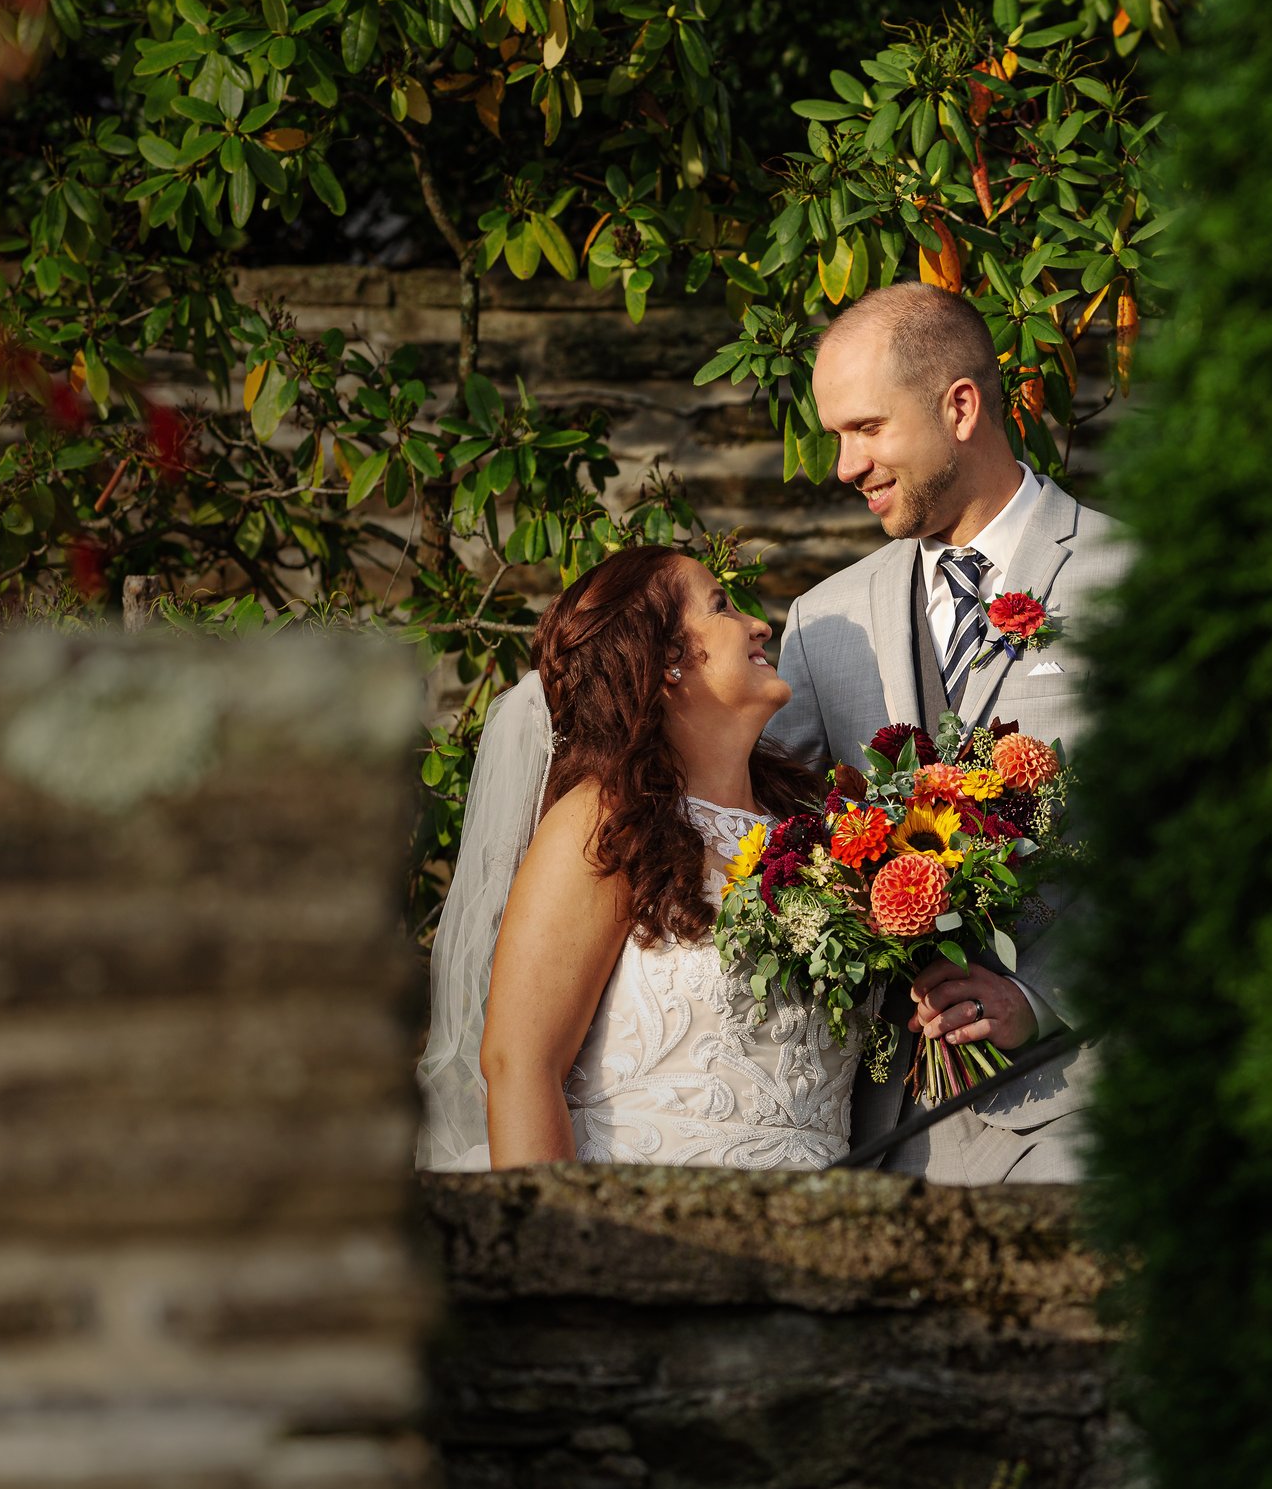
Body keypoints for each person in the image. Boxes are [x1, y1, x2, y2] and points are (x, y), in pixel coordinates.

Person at [766, 281, 1131, 1185]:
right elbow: (775, 836)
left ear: (959, 406)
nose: (844, 466)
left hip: (1079, 1114)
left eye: (865, 429)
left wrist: (1042, 1001)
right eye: (835, 436)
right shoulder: (823, 621)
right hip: (873, 1141)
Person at [413, 544, 857, 1170]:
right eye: (721, 607)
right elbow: (519, 1063)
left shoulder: (813, 830)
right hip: (646, 1223)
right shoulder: (606, 822)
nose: (759, 624)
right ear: (663, 660)